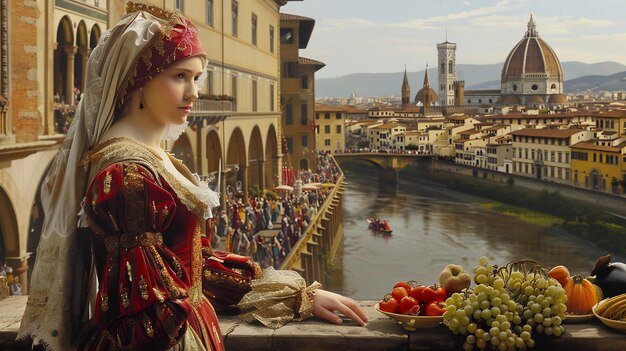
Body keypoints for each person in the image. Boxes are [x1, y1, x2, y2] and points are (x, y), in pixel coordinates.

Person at [18, 3, 366, 351]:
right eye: (179, 76)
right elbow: (147, 316)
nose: (194, 93)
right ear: (137, 79)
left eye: (196, 78)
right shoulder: (128, 176)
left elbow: (192, 267)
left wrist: (295, 297)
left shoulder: (146, 159)